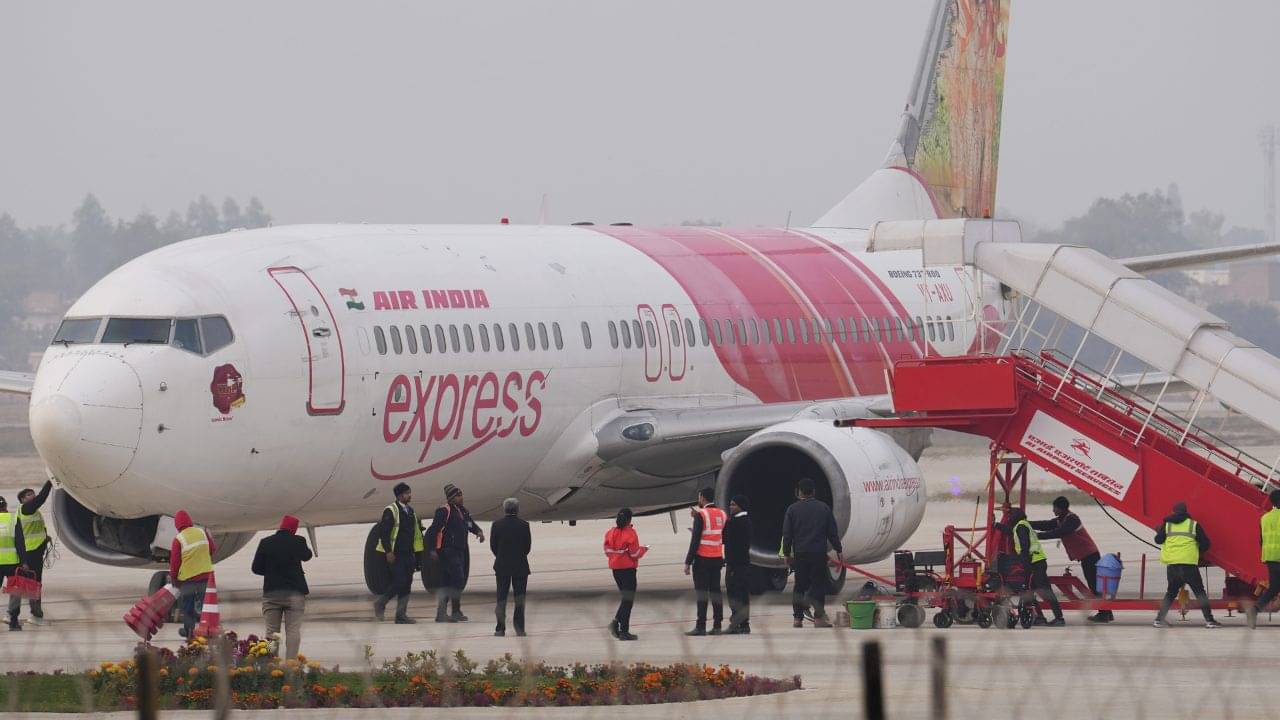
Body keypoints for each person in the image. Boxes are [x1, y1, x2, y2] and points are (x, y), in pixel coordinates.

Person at [1031, 496, 1108, 622]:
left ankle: (1104, 613)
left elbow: (1059, 532)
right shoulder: (1062, 519)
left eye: (1055, 508)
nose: (1053, 510)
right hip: (1086, 555)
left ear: (1061, 509)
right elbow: (1047, 524)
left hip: (1090, 555)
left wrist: (1037, 536)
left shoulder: (1072, 519)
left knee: (1094, 585)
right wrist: (1028, 523)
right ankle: (1106, 612)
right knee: (1094, 584)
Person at [781, 478, 842, 628]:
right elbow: (832, 533)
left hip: (800, 553)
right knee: (818, 585)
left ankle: (797, 618)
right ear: (814, 492)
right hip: (818, 553)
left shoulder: (792, 509)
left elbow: (787, 534)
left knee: (799, 585)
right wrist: (838, 550)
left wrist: (787, 553)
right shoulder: (824, 508)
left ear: (799, 492)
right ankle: (819, 618)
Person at [250, 515, 312, 658]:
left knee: (271, 632)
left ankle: (271, 660)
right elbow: (307, 556)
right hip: (295, 593)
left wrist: (271, 573)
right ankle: (291, 663)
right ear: (294, 529)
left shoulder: (266, 542)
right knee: (293, 631)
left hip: (272, 593)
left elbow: (256, 568)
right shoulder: (298, 541)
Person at [1153, 501, 1220, 628]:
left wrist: (1159, 531)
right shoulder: (1193, 525)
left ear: (1173, 512)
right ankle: (1209, 620)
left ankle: (1159, 620)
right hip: (1189, 564)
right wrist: (1197, 551)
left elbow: (1158, 540)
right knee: (1200, 593)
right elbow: (1206, 544)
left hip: (1173, 565)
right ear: (1186, 512)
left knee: (1171, 593)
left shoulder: (1167, 524)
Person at [426, 484, 483, 623]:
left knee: (447, 581)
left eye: (461, 495)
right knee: (458, 579)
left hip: (459, 550)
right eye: (458, 495)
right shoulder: (444, 511)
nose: (461, 497)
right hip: (447, 550)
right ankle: (453, 611)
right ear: (452, 498)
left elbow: (470, 524)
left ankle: (447, 612)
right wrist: (432, 549)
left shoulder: (462, 510)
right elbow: (434, 530)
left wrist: (478, 531)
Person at [372, 483, 423, 624]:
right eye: (407, 493)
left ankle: (401, 615)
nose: (409, 495)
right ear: (400, 495)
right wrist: (388, 551)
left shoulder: (410, 511)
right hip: (396, 554)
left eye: (409, 492)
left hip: (408, 553)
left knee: (407, 584)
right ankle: (380, 603)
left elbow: (415, 533)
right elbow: (384, 532)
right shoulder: (391, 511)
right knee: (400, 581)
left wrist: (417, 554)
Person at [1008, 507, 1065, 626]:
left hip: (1035, 563)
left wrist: (1024, 563)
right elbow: (1009, 530)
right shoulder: (1022, 525)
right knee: (1029, 591)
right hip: (1036, 561)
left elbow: (1025, 546)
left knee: (1045, 591)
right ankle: (1039, 617)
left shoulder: (1021, 526)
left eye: (1010, 515)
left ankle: (1059, 618)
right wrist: (996, 525)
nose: (1009, 518)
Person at [684, 487, 727, 636]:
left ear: (702, 498)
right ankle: (717, 624)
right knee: (716, 592)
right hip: (717, 558)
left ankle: (700, 626)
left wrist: (688, 562)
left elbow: (695, 540)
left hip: (702, 559)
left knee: (702, 593)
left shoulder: (701, 515)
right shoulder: (722, 514)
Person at [169, 510, 216, 638]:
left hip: (188, 579)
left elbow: (175, 563)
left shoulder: (178, 539)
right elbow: (212, 549)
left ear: (177, 526)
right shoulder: (202, 532)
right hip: (206, 576)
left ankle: (189, 633)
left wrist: (174, 580)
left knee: (187, 607)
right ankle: (208, 631)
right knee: (206, 607)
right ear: (190, 521)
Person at [489, 497, 531, 637]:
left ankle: (500, 628)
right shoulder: (524, 525)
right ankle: (519, 628)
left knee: (501, 598)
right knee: (520, 598)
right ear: (517, 509)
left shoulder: (496, 525)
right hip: (520, 566)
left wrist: (501, 556)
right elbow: (527, 547)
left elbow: (493, 546)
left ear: (504, 509)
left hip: (502, 565)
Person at [603, 508, 645, 641]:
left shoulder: (610, 533)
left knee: (625, 599)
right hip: (628, 570)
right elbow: (634, 554)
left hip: (616, 570)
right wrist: (644, 549)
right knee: (628, 601)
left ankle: (616, 623)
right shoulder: (631, 534)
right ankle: (623, 630)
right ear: (629, 520)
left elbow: (607, 551)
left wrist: (616, 557)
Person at [15, 481, 52, 626]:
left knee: (28, 585)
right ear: (23, 499)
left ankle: (14, 614)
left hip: (34, 553)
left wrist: (45, 537)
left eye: (32, 493)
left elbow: (32, 530)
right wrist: (50, 481)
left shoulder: (32, 511)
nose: (33, 496)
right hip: (30, 554)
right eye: (28, 494)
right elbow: (42, 498)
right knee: (33, 585)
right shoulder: (27, 508)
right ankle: (35, 615)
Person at [1249, 490, 1280, 628]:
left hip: (1270, 558)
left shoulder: (1265, 518)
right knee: (1274, 588)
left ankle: (1254, 611)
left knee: (1274, 588)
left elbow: (1262, 540)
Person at [723, 495, 753, 634]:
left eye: (733, 505)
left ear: (740, 506)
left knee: (734, 594)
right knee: (743, 594)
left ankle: (736, 622)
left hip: (735, 564)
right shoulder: (746, 521)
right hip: (744, 563)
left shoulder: (734, 522)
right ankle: (744, 624)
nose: (730, 507)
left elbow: (727, 540)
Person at [0, 496, 29, 631]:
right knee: (15, 592)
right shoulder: (13, 520)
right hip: (13, 563)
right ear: (5, 507)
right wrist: (24, 562)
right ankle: (13, 622)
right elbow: (20, 543)